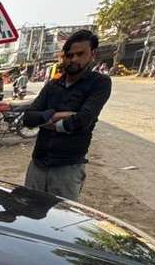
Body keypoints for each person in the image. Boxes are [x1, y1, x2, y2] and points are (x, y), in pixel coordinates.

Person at [20, 29, 112, 200]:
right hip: (38, 164)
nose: (74, 59)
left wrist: (48, 120)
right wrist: (56, 114)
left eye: (80, 54)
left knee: (60, 221)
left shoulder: (99, 83)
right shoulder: (53, 85)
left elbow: (82, 119)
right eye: (70, 55)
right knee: (29, 215)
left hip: (67, 168)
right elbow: (28, 118)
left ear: (92, 54)